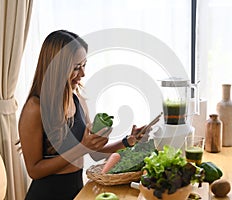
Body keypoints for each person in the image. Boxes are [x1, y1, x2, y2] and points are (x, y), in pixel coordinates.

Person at [18, 30, 148, 200]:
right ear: (58, 68)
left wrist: (129, 141)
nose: (83, 73)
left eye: (84, 65)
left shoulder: (77, 99)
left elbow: (94, 152)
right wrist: (83, 147)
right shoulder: (35, 108)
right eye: (76, 67)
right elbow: (34, 170)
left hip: (77, 192)